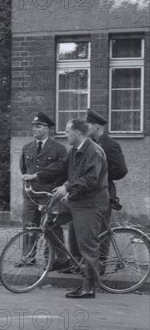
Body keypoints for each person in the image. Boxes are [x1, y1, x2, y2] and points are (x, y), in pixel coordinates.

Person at [60, 108, 128, 274]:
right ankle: (77, 263)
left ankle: (100, 267)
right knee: (78, 229)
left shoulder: (109, 145)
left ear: (96, 126)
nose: (85, 126)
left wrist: (101, 174)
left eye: (88, 124)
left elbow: (121, 170)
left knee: (99, 232)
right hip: (83, 191)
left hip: (100, 192)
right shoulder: (84, 144)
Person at [52, 118, 109, 299]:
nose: (65, 135)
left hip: (90, 203)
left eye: (67, 132)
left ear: (76, 133)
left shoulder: (93, 151)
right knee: (50, 217)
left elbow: (91, 179)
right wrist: (37, 175)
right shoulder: (75, 150)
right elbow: (64, 170)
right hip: (77, 199)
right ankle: (65, 260)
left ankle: (88, 287)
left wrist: (67, 188)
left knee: (87, 245)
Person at [18, 112, 68, 270]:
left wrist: (38, 176)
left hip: (48, 194)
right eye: (33, 126)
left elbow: (61, 170)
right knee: (28, 226)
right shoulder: (27, 148)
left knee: (51, 227)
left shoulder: (59, 149)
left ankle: (56, 260)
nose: (34, 129)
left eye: (38, 126)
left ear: (47, 129)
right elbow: (23, 168)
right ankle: (28, 257)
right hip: (30, 194)